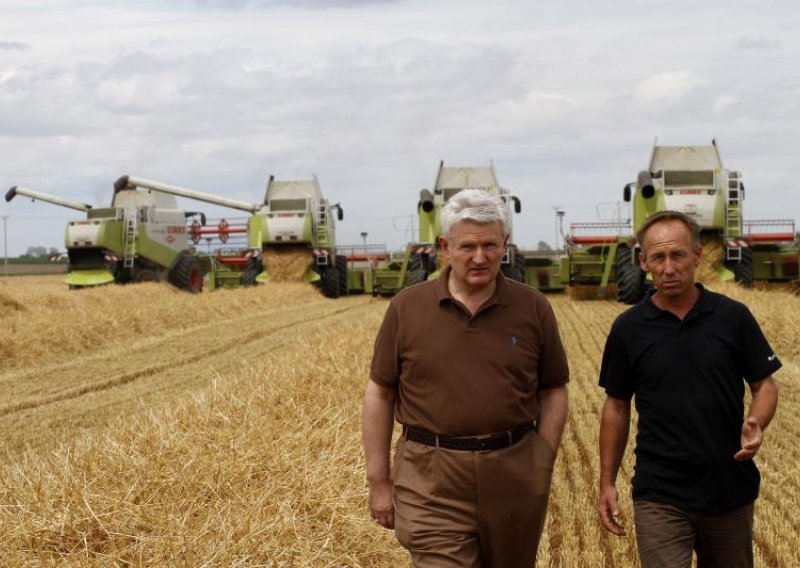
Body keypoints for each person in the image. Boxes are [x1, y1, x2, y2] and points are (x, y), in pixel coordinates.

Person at [362, 188, 569, 567]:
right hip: (430, 479)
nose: (480, 257)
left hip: (514, 474)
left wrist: (543, 456)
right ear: (445, 246)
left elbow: (554, 390)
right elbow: (380, 393)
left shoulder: (533, 307)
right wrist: (379, 481)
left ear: (505, 243)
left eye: (490, 245)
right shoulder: (407, 309)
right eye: (467, 247)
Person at [597, 210, 780, 567]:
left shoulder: (733, 317)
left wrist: (757, 421)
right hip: (660, 493)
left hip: (729, 488)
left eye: (678, 255)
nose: (669, 267)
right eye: (658, 257)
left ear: (697, 255)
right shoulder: (628, 329)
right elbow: (616, 407)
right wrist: (606, 482)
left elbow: (765, 384)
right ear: (643, 261)